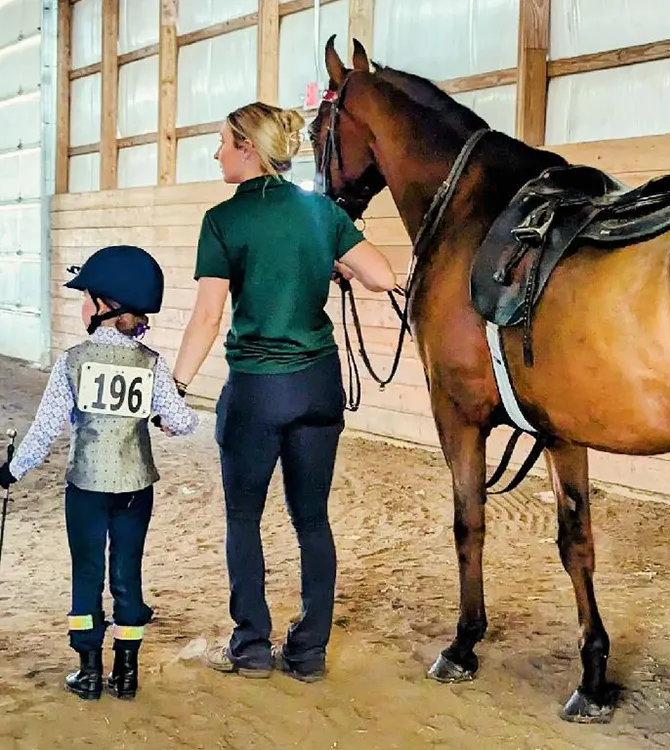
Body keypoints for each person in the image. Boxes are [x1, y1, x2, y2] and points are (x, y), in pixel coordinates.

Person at [170, 101, 396, 682]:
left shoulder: (222, 220)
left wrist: (176, 384)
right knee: (312, 520)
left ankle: (250, 646)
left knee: (243, 518)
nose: (217, 154)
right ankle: (308, 651)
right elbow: (383, 276)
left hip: (256, 391)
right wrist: (337, 264)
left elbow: (207, 317)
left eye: (223, 143)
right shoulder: (322, 211)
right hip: (318, 384)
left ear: (247, 148)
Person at [0, 245, 199, 701]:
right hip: (137, 487)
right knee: (127, 573)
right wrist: (163, 417)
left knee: (87, 572)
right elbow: (182, 422)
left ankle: (88, 671)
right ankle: (126, 673)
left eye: (85, 297)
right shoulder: (151, 362)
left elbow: (45, 430)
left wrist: (12, 470)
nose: (81, 305)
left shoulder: (73, 360)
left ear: (104, 305)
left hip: (86, 486)